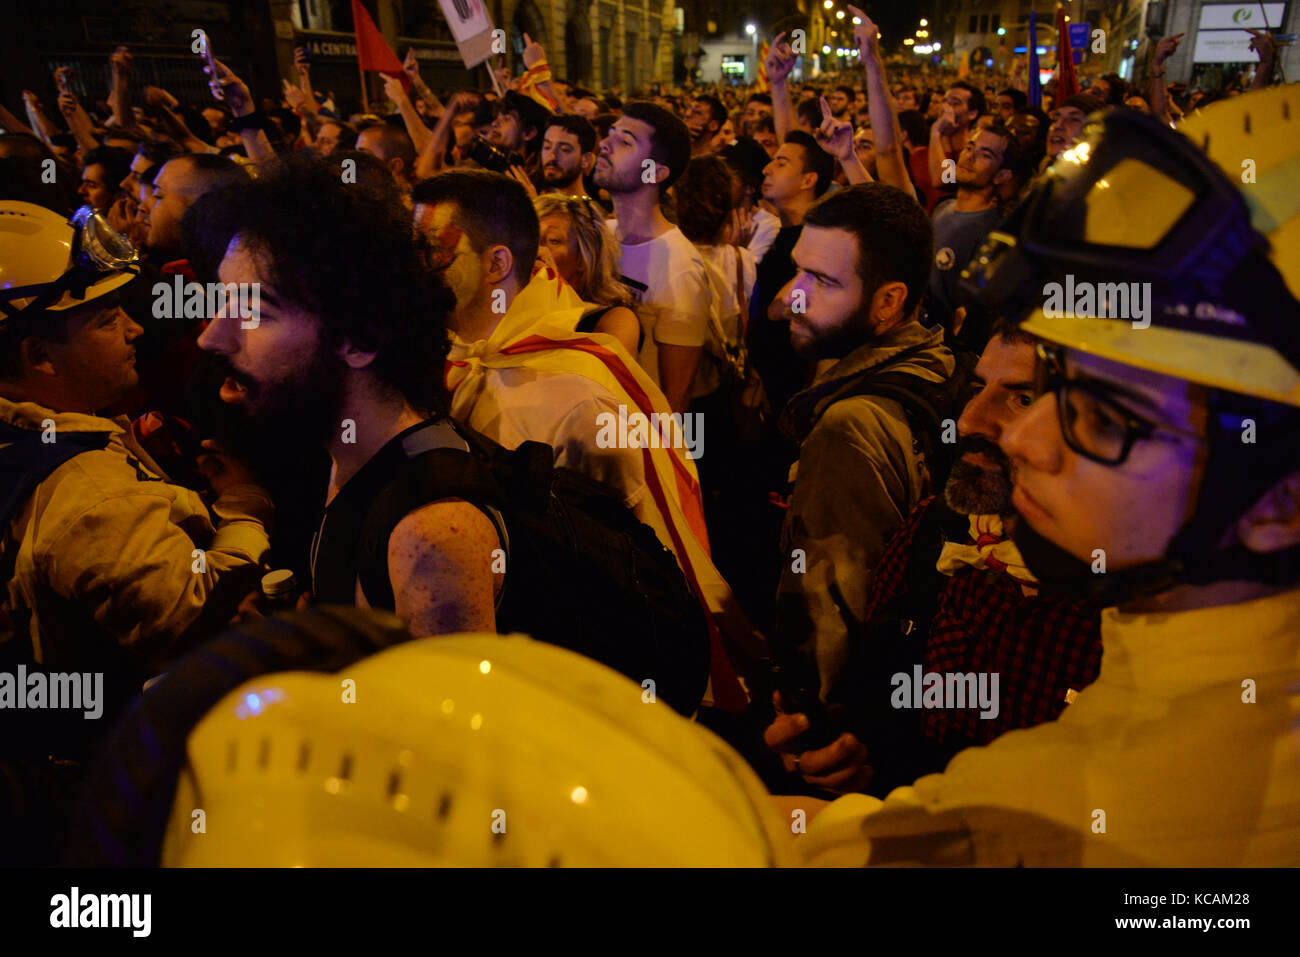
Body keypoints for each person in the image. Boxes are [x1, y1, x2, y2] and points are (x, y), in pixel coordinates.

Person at [799, 92, 1300, 866]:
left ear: (1282, 501)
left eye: (1105, 417)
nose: (1020, 435)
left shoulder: (1147, 807)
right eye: (1058, 384)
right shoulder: (1168, 670)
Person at [763, 326, 1102, 797]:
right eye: (978, 388)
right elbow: (883, 709)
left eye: (1023, 399)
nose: (969, 421)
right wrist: (844, 751)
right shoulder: (935, 532)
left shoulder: (1143, 610)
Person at [0, 200, 273, 749]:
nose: (134, 328)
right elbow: (202, 624)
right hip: (101, 777)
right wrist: (243, 512)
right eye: (105, 319)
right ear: (40, 357)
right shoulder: (88, 494)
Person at [771, 183, 955, 702]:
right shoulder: (936, 358)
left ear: (889, 300)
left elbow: (830, 607)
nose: (793, 295)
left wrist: (812, 716)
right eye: (798, 269)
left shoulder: (849, 426)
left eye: (823, 280)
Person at [593, 101, 709, 413]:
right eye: (611, 134)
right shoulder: (600, 235)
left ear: (654, 172)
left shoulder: (681, 268)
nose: (605, 144)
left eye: (625, 141)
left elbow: (675, 398)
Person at [749, 131, 835, 419]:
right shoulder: (777, 234)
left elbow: (805, 315)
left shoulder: (820, 243)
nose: (766, 169)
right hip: (766, 384)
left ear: (808, 180)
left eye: (781, 163)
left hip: (796, 395)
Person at [928, 124, 1020, 343]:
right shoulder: (942, 208)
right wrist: (936, 133)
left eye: (985, 154)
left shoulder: (994, 232)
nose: (970, 157)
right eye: (970, 148)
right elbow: (940, 177)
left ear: (1002, 175)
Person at [533, 193, 641, 354]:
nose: (537, 250)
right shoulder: (510, 306)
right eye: (532, 238)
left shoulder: (616, 320)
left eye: (553, 241)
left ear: (584, 258)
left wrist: (554, 291)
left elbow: (605, 377)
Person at [537, 114, 597, 198]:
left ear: (585, 159)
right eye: (547, 147)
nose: (552, 156)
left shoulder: (588, 210)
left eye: (564, 149)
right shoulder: (537, 199)